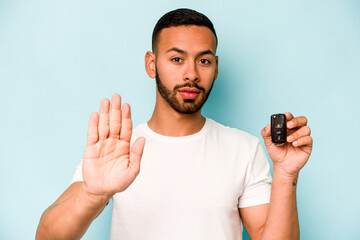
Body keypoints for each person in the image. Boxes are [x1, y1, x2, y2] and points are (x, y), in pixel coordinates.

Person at [36, 8, 313, 240]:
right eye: (177, 59)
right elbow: (46, 236)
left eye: (203, 60)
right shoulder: (118, 150)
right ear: (151, 64)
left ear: (215, 68)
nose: (191, 73)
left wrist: (286, 174)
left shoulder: (244, 148)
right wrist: (92, 194)